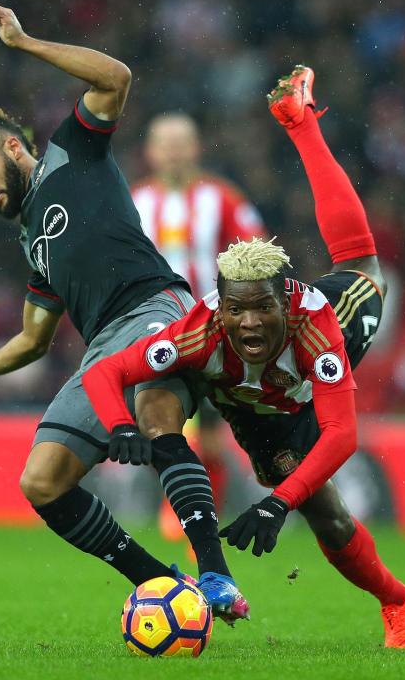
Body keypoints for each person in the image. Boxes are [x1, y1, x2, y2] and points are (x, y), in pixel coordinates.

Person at [82, 67, 405, 648]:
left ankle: (397, 602)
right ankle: (208, 563)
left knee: (328, 515)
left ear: (283, 302)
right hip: (232, 386)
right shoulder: (202, 330)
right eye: (237, 311)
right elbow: (105, 371)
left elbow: (342, 435)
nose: (249, 322)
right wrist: (118, 426)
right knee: (157, 401)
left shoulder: (314, 328)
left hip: (299, 394)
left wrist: (277, 504)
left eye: (261, 309)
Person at [0, 2, 246, 623]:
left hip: (158, 306)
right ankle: (165, 583)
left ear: (11, 147)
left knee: (158, 411)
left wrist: (24, 39)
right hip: (104, 348)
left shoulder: (71, 152)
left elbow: (116, 77)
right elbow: (34, 337)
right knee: (42, 481)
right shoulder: (33, 241)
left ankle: (215, 576)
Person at [132, 112, 266, 522]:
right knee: (159, 420)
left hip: (213, 332)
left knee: (210, 433)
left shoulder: (223, 199)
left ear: (196, 148)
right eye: (164, 145)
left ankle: (205, 512)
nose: (173, 153)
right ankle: (177, 509)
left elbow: (259, 255)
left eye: (181, 144)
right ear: (150, 152)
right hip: (155, 331)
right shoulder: (134, 203)